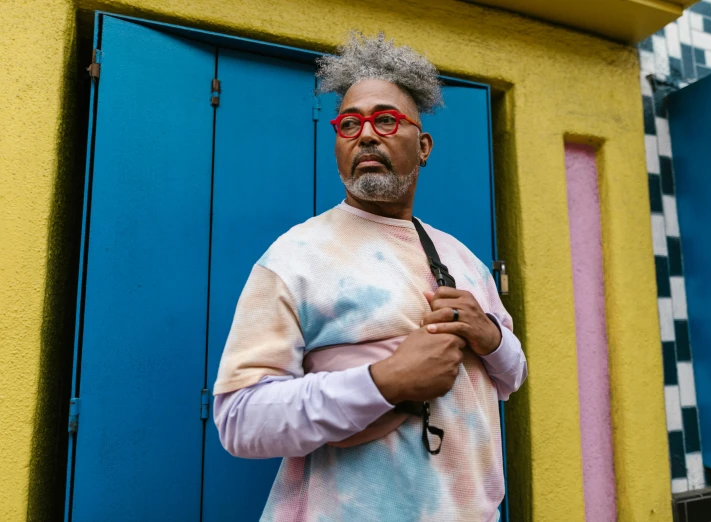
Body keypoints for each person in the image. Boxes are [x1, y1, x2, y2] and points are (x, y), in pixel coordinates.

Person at [213, 32, 527, 522]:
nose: (365, 135)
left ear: (423, 146)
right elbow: (239, 420)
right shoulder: (296, 257)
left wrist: (490, 337)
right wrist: (384, 381)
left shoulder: (462, 258)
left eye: (385, 120)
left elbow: (510, 380)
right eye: (350, 123)